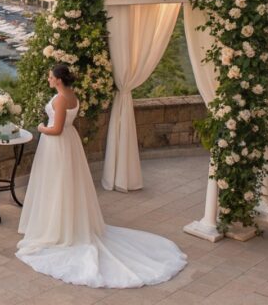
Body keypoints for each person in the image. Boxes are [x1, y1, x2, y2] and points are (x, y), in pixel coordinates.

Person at [16, 63, 187, 287]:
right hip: (70, 143)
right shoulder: (72, 96)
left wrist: (40, 128)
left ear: (58, 79)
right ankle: (64, 223)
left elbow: (56, 129)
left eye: (50, 77)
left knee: (56, 185)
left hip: (57, 144)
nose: (48, 79)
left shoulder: (59, 99)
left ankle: (57, 229)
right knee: (65, 186)